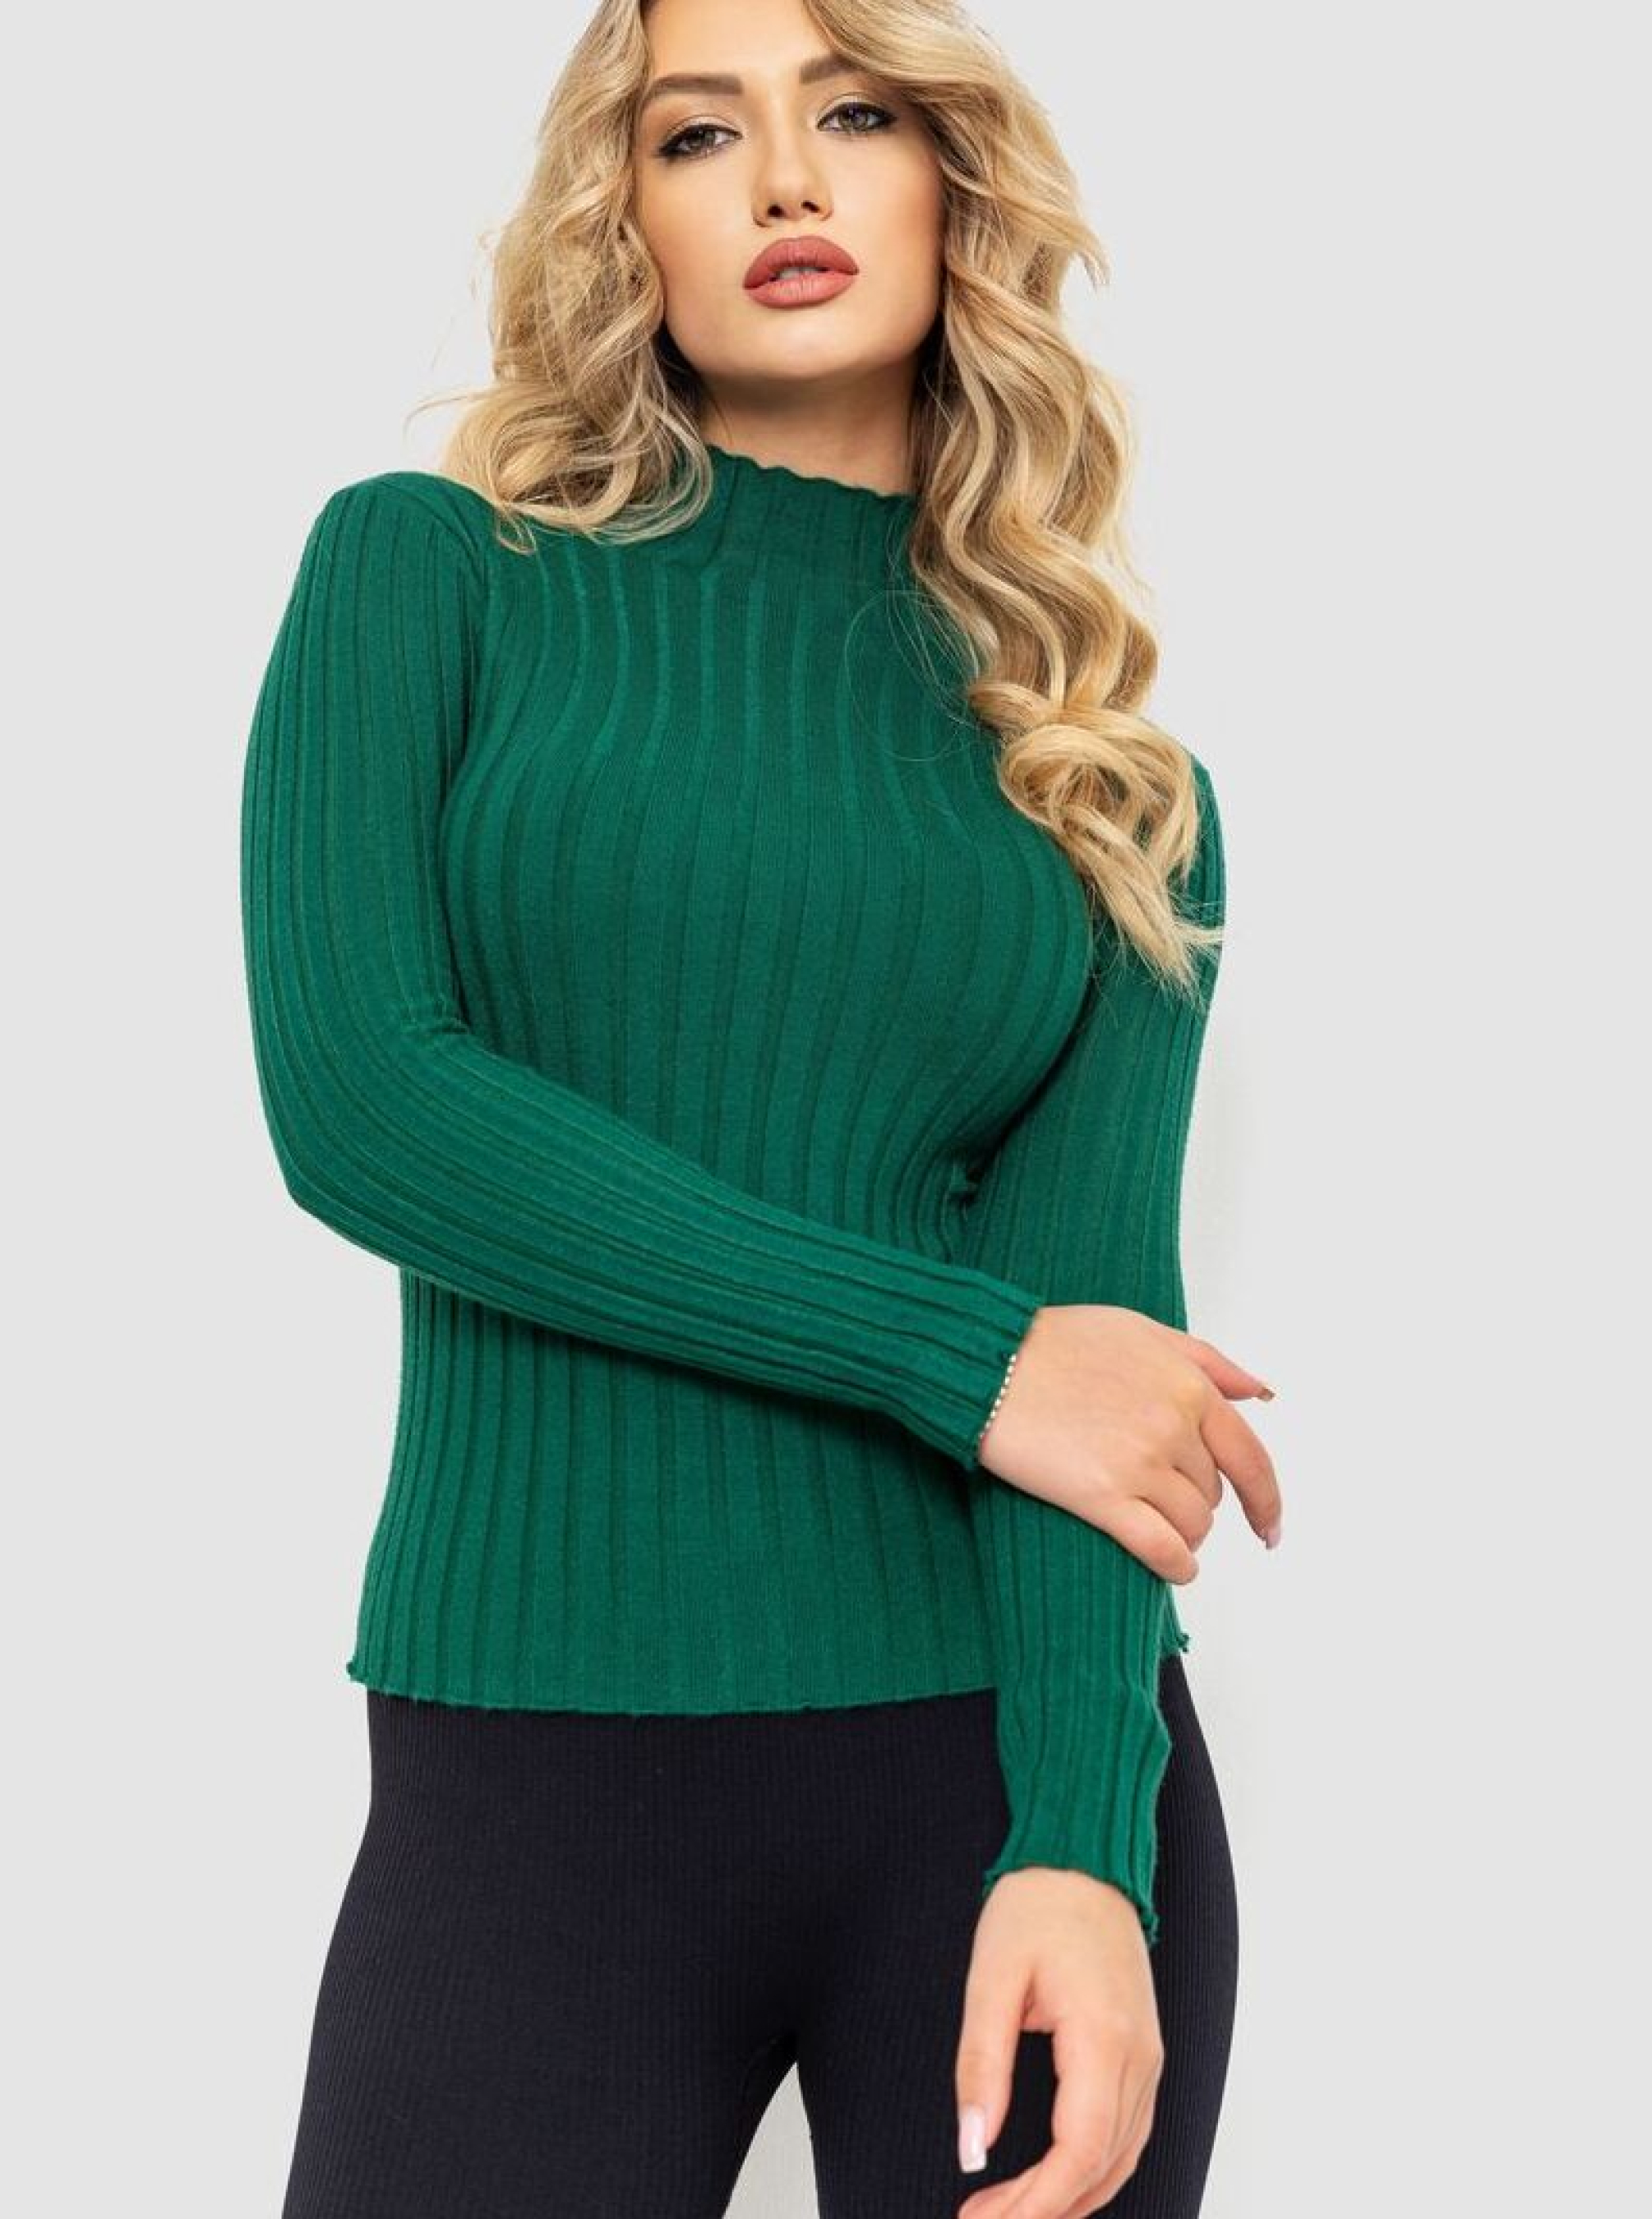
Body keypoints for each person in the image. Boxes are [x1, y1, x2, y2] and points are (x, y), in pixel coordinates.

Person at [239, 1, 1284, 2212]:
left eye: (857, 113)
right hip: (528, 1759)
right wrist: (962, 1354)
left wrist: (1085, 1849)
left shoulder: (1113, 786)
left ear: (954, 180)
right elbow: (367, 1103)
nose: (788, 180)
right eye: (699, 133)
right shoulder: (430, 578)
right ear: (621, 214)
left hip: (994, 1785)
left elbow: (1101, 1349)